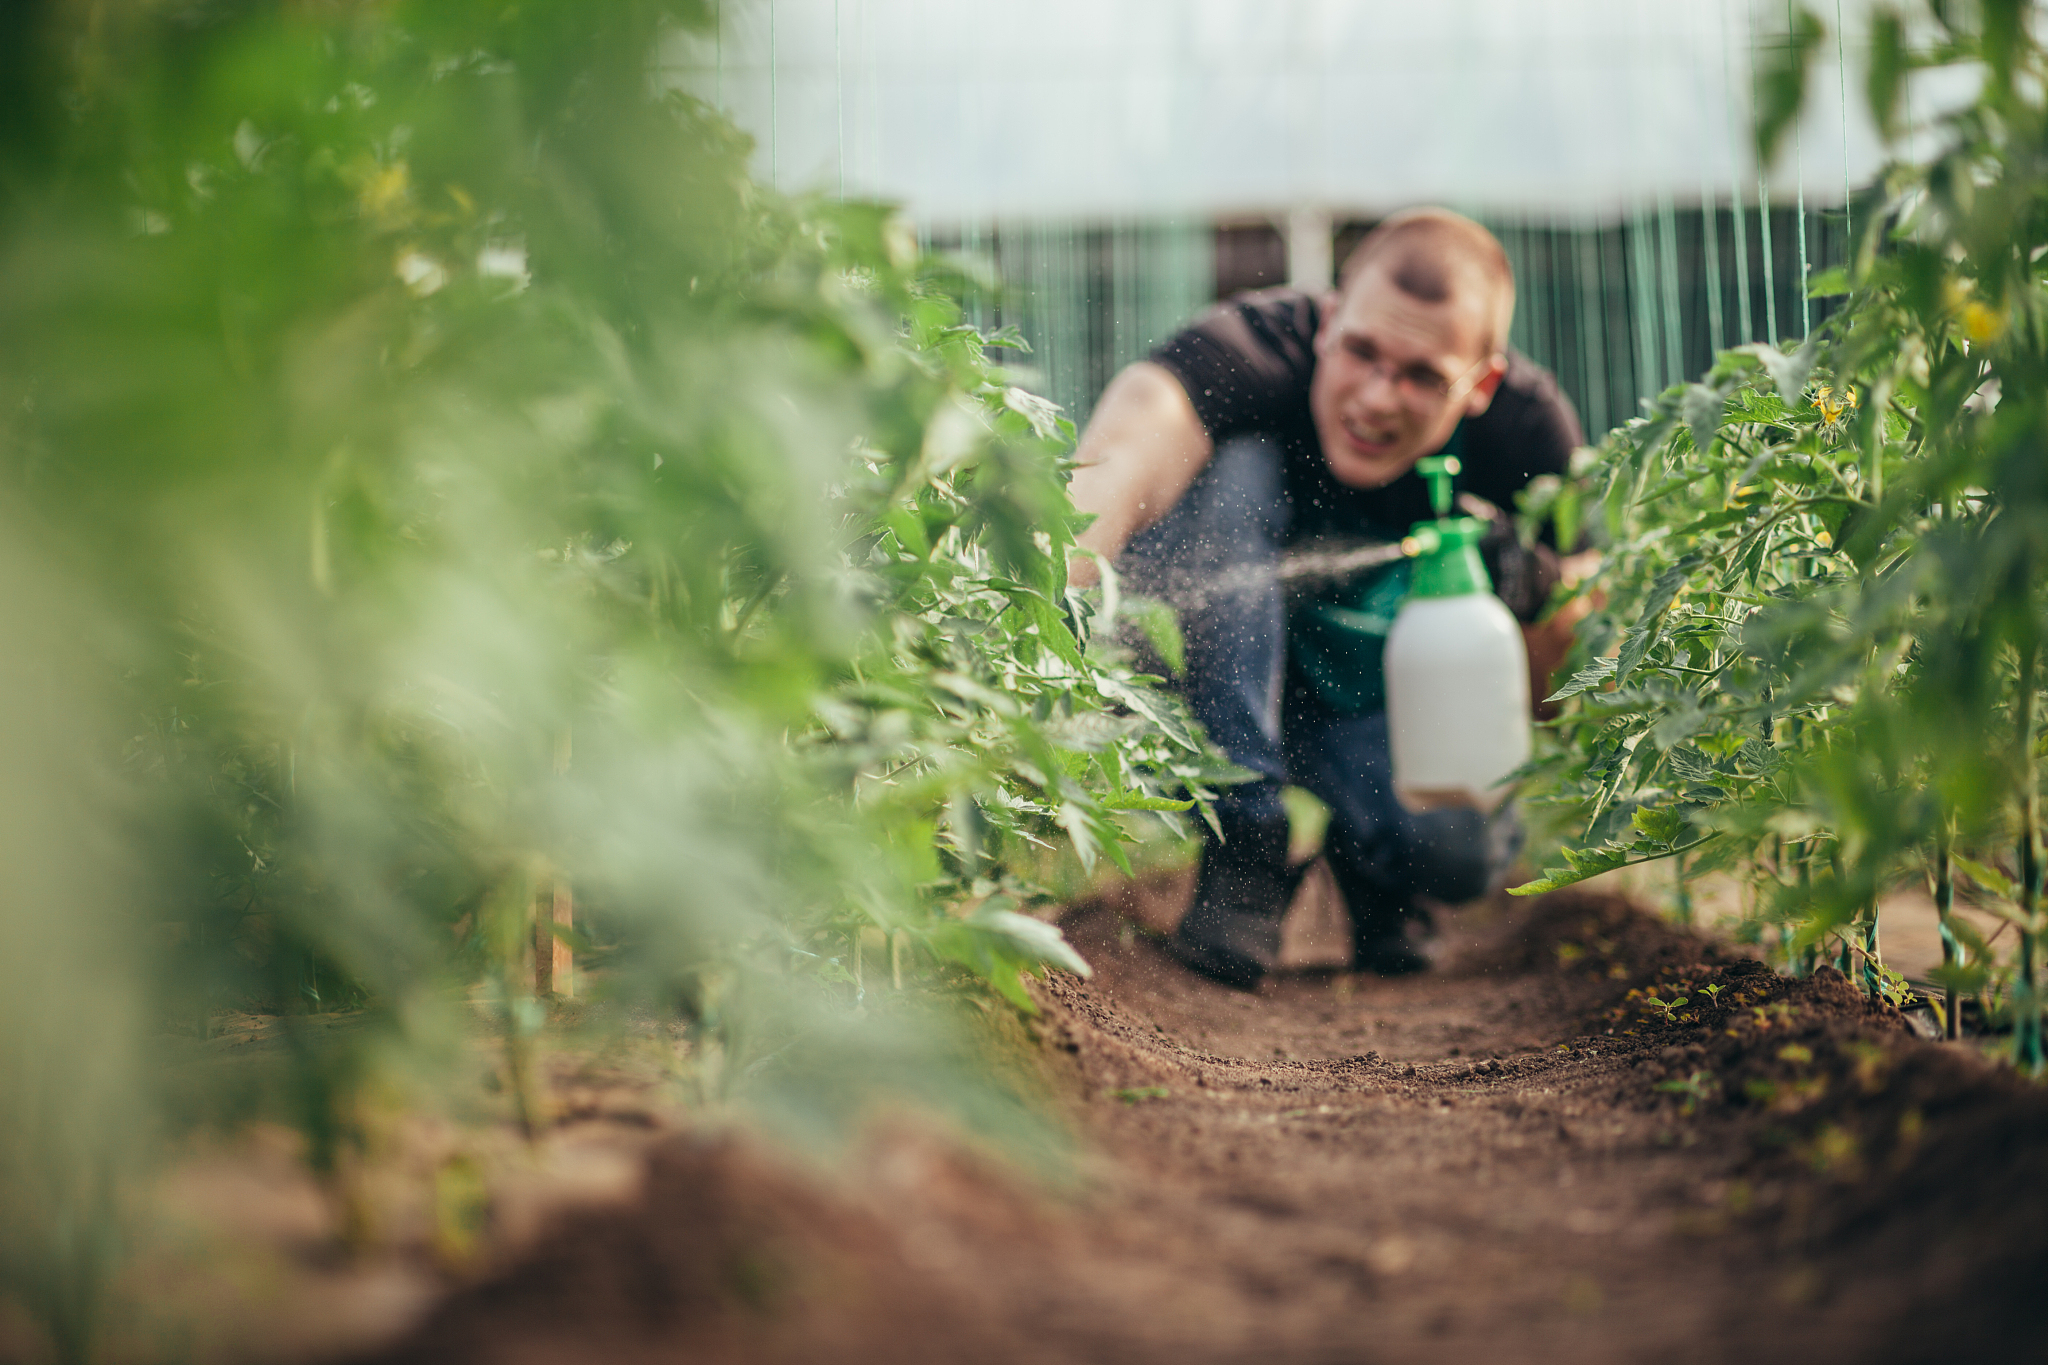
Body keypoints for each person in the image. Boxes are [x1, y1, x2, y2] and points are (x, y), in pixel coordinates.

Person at [1068, 208, 1586, 988]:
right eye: (1363, 353)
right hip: (1217, 673)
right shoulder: (1248, 348)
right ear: (1330, 320)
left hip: (1367, 706)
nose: (1377, 398)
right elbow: (1114, 468)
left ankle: (1372, 861)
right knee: (1233, 465)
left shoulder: (1528, 438)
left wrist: (1539, 596)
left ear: (1479, 386)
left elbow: (1565, 698)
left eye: (1420, 376)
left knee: (1455, 847)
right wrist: (1025, 619)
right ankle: (1246, 828)